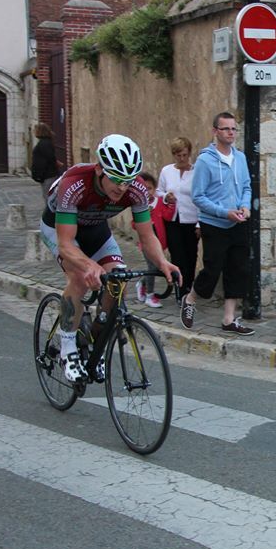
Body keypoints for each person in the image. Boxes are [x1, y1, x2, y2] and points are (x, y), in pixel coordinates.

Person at [40, 134, 180, 382]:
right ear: (98, 170)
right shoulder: (74, 185)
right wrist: (89, 265)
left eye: (127, 180)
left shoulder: (135, 189)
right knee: (80, 278)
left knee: (117, 279)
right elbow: (65, 244)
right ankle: (68, 347)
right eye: (116, 179)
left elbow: (147, 237)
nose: (122, 187)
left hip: (95, 228)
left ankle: (95, 338)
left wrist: (162, 262)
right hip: (60, 227)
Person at [179, 113, 254, 335]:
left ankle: (229, 318)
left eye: (233, 129)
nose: (231, 133)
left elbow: (247, 186)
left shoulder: (239, 158)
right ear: (215, 132)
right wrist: (224, 212)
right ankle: (190, 299)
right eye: (226, 129)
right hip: (214, 224)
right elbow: (198, 196)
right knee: (212, 269)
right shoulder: (205, 160)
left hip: (238, 222)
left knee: (237, 269)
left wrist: (245, 206)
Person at [157, 137, 199, 299]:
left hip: (191, 221)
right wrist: (167, 197)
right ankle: (180, 291)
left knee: (191, 256)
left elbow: (200, 197)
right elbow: (159, 192)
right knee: (177, 256)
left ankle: (188, 287)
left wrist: (199, 224)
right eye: (178, 155)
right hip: (173, 221)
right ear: (173, 155)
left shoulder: (196, 172)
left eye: (185, 155)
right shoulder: (167, 171)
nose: (182, 159)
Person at [135, 172, 169, 308]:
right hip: (145, 244)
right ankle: (150, 295)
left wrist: (171, 206)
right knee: (153, 267)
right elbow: (134, 224)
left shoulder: (159, 202)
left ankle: (142, 283)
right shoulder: (139, 205)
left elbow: (167, 216)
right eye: (143, 189)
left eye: (149, 188)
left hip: (160, 242)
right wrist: (145, 219)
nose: (147, 192)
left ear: (155, 189)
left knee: (157, 267)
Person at [31, 123, 62, 200]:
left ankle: (50, 212)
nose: (34, 132)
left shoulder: (44, 143)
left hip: (48, 174)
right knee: (47, 195)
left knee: (49, 196)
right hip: (46, 174)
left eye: (35, 130)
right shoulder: (44, 142)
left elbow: (50, 157)